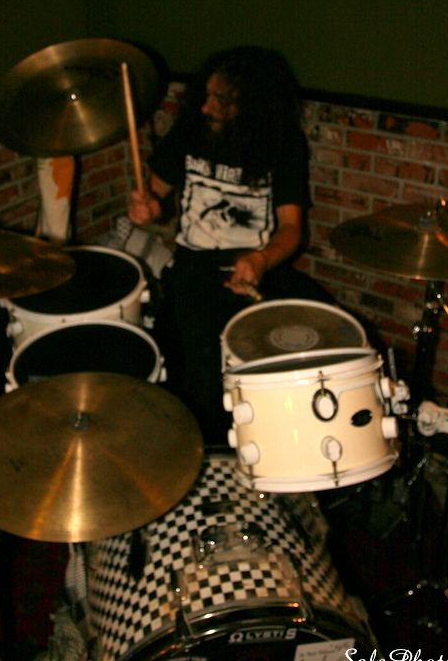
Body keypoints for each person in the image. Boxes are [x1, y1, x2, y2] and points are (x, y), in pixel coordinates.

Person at [128, 46, 334, 444]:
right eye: (205, 95)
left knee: (320, 336)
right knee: (205, 370)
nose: (206, 107)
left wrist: (261, 259)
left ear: (252, 106)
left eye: (220, 100)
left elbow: (292, 229)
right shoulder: (190, 130)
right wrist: (144, 206)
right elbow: (151, 196)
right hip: (196, 266)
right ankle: (211, 448)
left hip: (259, 267)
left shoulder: (283, 143)